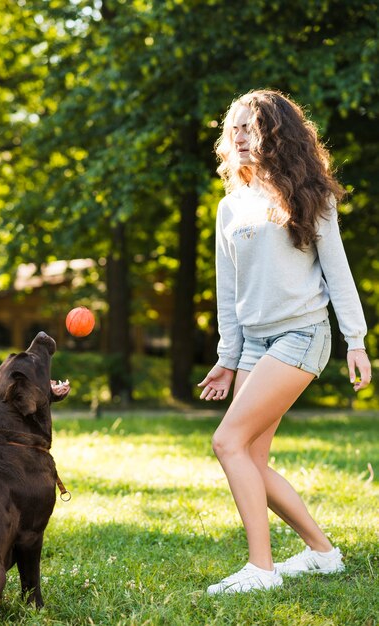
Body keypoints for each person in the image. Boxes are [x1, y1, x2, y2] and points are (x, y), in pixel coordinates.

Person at [198, 89, 372, 595]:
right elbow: (228, 295)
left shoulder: (307, 196)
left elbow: (338, 272)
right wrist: (227, 360)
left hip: (303, 333)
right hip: (253, 343)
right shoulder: (229, 208)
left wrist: (355, 341)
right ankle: (324, 553)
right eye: (235, 128)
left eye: (253, 127)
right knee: (250, 456)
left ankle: (261, 569)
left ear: (278, 136)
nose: (242, 136)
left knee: (227, 442)